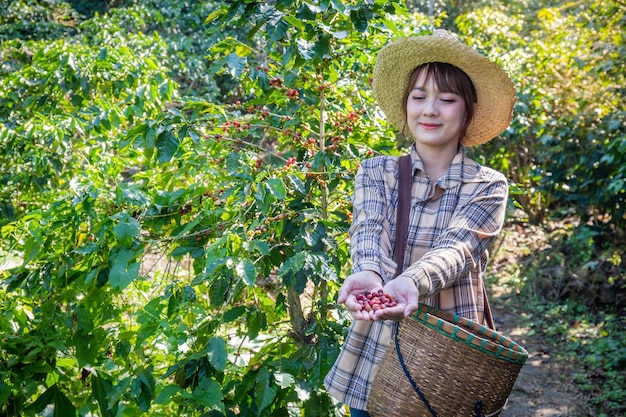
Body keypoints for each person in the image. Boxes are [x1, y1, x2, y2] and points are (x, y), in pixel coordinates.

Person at [323, 30, 516, 416]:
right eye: (419, 97)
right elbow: (368, 231)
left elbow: (458, 248)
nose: (430, 110)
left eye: (446, 99)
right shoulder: (376, 172)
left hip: (447, 357)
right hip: (378, 346)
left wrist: (410, 283)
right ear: (405, 104)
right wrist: (368, 274)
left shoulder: (488, 186)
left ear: (467, 109)